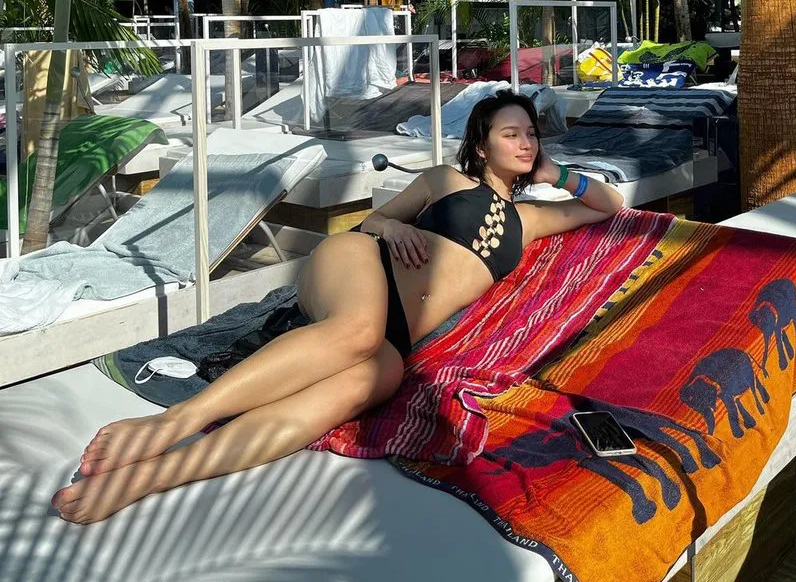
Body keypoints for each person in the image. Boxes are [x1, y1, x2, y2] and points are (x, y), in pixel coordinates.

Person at [52, 91, 624, 523]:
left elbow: (610, 204)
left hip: (398, 334)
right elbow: (373, 221)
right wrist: (393, 228)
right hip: (360, 266)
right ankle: (174, 422)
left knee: (378, 375)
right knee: (358, 331)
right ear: (481, 146)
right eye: (510, 134)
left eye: (530, 135)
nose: (525, 143)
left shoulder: (530, 219)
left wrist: (556, 174)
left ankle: (159, 475)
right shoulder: (445, 179)